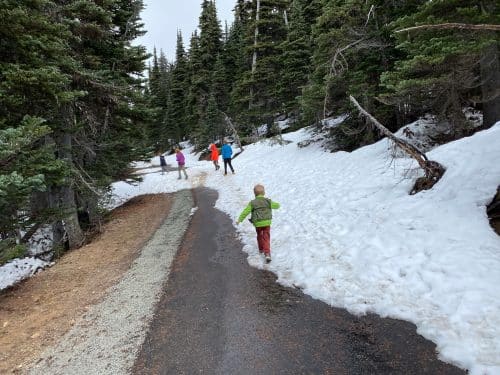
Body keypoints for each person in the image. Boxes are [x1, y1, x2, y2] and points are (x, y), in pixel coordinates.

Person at [236, 184, 280, 263]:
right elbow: (277, 206)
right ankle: (267, 253)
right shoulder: (268, 201)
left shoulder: (253, 203)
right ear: (264, 193)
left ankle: (261, 249)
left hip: (257, 223)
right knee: (266, 236)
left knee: (259, 235)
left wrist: (240, 219)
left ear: (254, 194)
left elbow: (246, 211)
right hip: (266, 222)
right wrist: (273, 204)